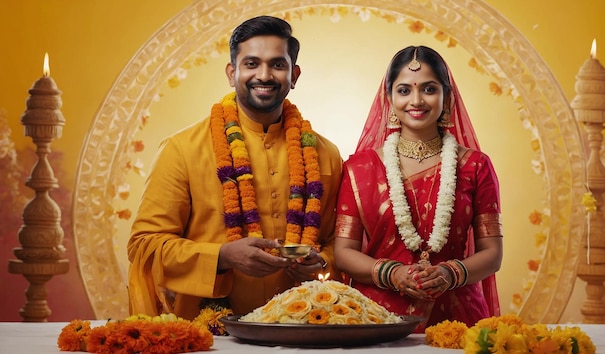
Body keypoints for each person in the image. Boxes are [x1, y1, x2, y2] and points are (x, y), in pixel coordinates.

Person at [127, 15, 343, 320]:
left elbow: (338, 243)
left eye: (277, 65)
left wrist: (321, 263)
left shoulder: (325, 154)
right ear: (232, 73)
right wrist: (221, 257)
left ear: (294, 75)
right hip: (210, 335)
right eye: (251, 63)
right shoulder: (182, 149)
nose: (264, 75)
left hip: (303, 325)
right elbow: (144, 246)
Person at [334, 45, 503, 332]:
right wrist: (392, 273)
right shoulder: (359, 169)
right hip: (377, 321)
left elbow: (492, 253)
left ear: (446, 97)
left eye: (428, 89)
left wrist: (451, 273)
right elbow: (344, 252)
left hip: (456, 319)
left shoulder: (475, 166)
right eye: (404, 90)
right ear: (389, 98)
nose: (416, 100)